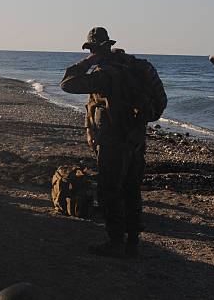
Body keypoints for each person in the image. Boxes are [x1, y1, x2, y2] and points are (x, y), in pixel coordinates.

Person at [60, 27, 166, 258]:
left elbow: (67, 83)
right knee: (131, 189)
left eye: (92, 49)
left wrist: (86, 62)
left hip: (113, 142)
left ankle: (116, 242)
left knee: (109, 191)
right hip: (135, 140)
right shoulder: (131, 67)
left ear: (95, 48)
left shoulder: (106, 74)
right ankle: (133, 242)